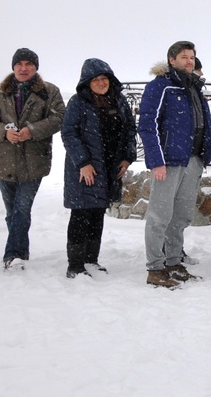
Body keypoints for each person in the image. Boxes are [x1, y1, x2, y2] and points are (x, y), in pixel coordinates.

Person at [0, 48, 65, 270]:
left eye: (29, 64)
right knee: (12, 212)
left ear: (36, 68)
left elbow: (59, 118)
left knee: (21, 209)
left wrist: (32, 130)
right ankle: (21, 251)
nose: (24, 68)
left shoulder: (49, 92)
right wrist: (3, 132)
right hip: (5, 161)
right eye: (20, 64)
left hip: (34, 162)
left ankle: (13, 255)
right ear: (13, 67)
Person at [137, 41, 211, 288]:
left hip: (193, 160)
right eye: (184, 57)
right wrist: (156, 160)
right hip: (169, 162)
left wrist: (205, 155)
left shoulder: (194, 87)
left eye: (192, 57)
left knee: (181, 217)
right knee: (160, 216)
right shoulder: (161, 86)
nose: (189, 61)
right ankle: (155, 268)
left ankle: (173, 263)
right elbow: (147, 125)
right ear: (172, 60)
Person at [59, 58, 136, 278]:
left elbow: (130, 130)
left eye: (105, 79)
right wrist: (83, 163)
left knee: (97, 213)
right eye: (96, 80)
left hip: (110, 168)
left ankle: (91, 260)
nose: (102, 83)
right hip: (85, 169)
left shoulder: (119, 100)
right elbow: (69, 133)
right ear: (87, 82)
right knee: (81, 213)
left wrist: (127, 158)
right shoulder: (78, 102)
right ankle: (75, 265)